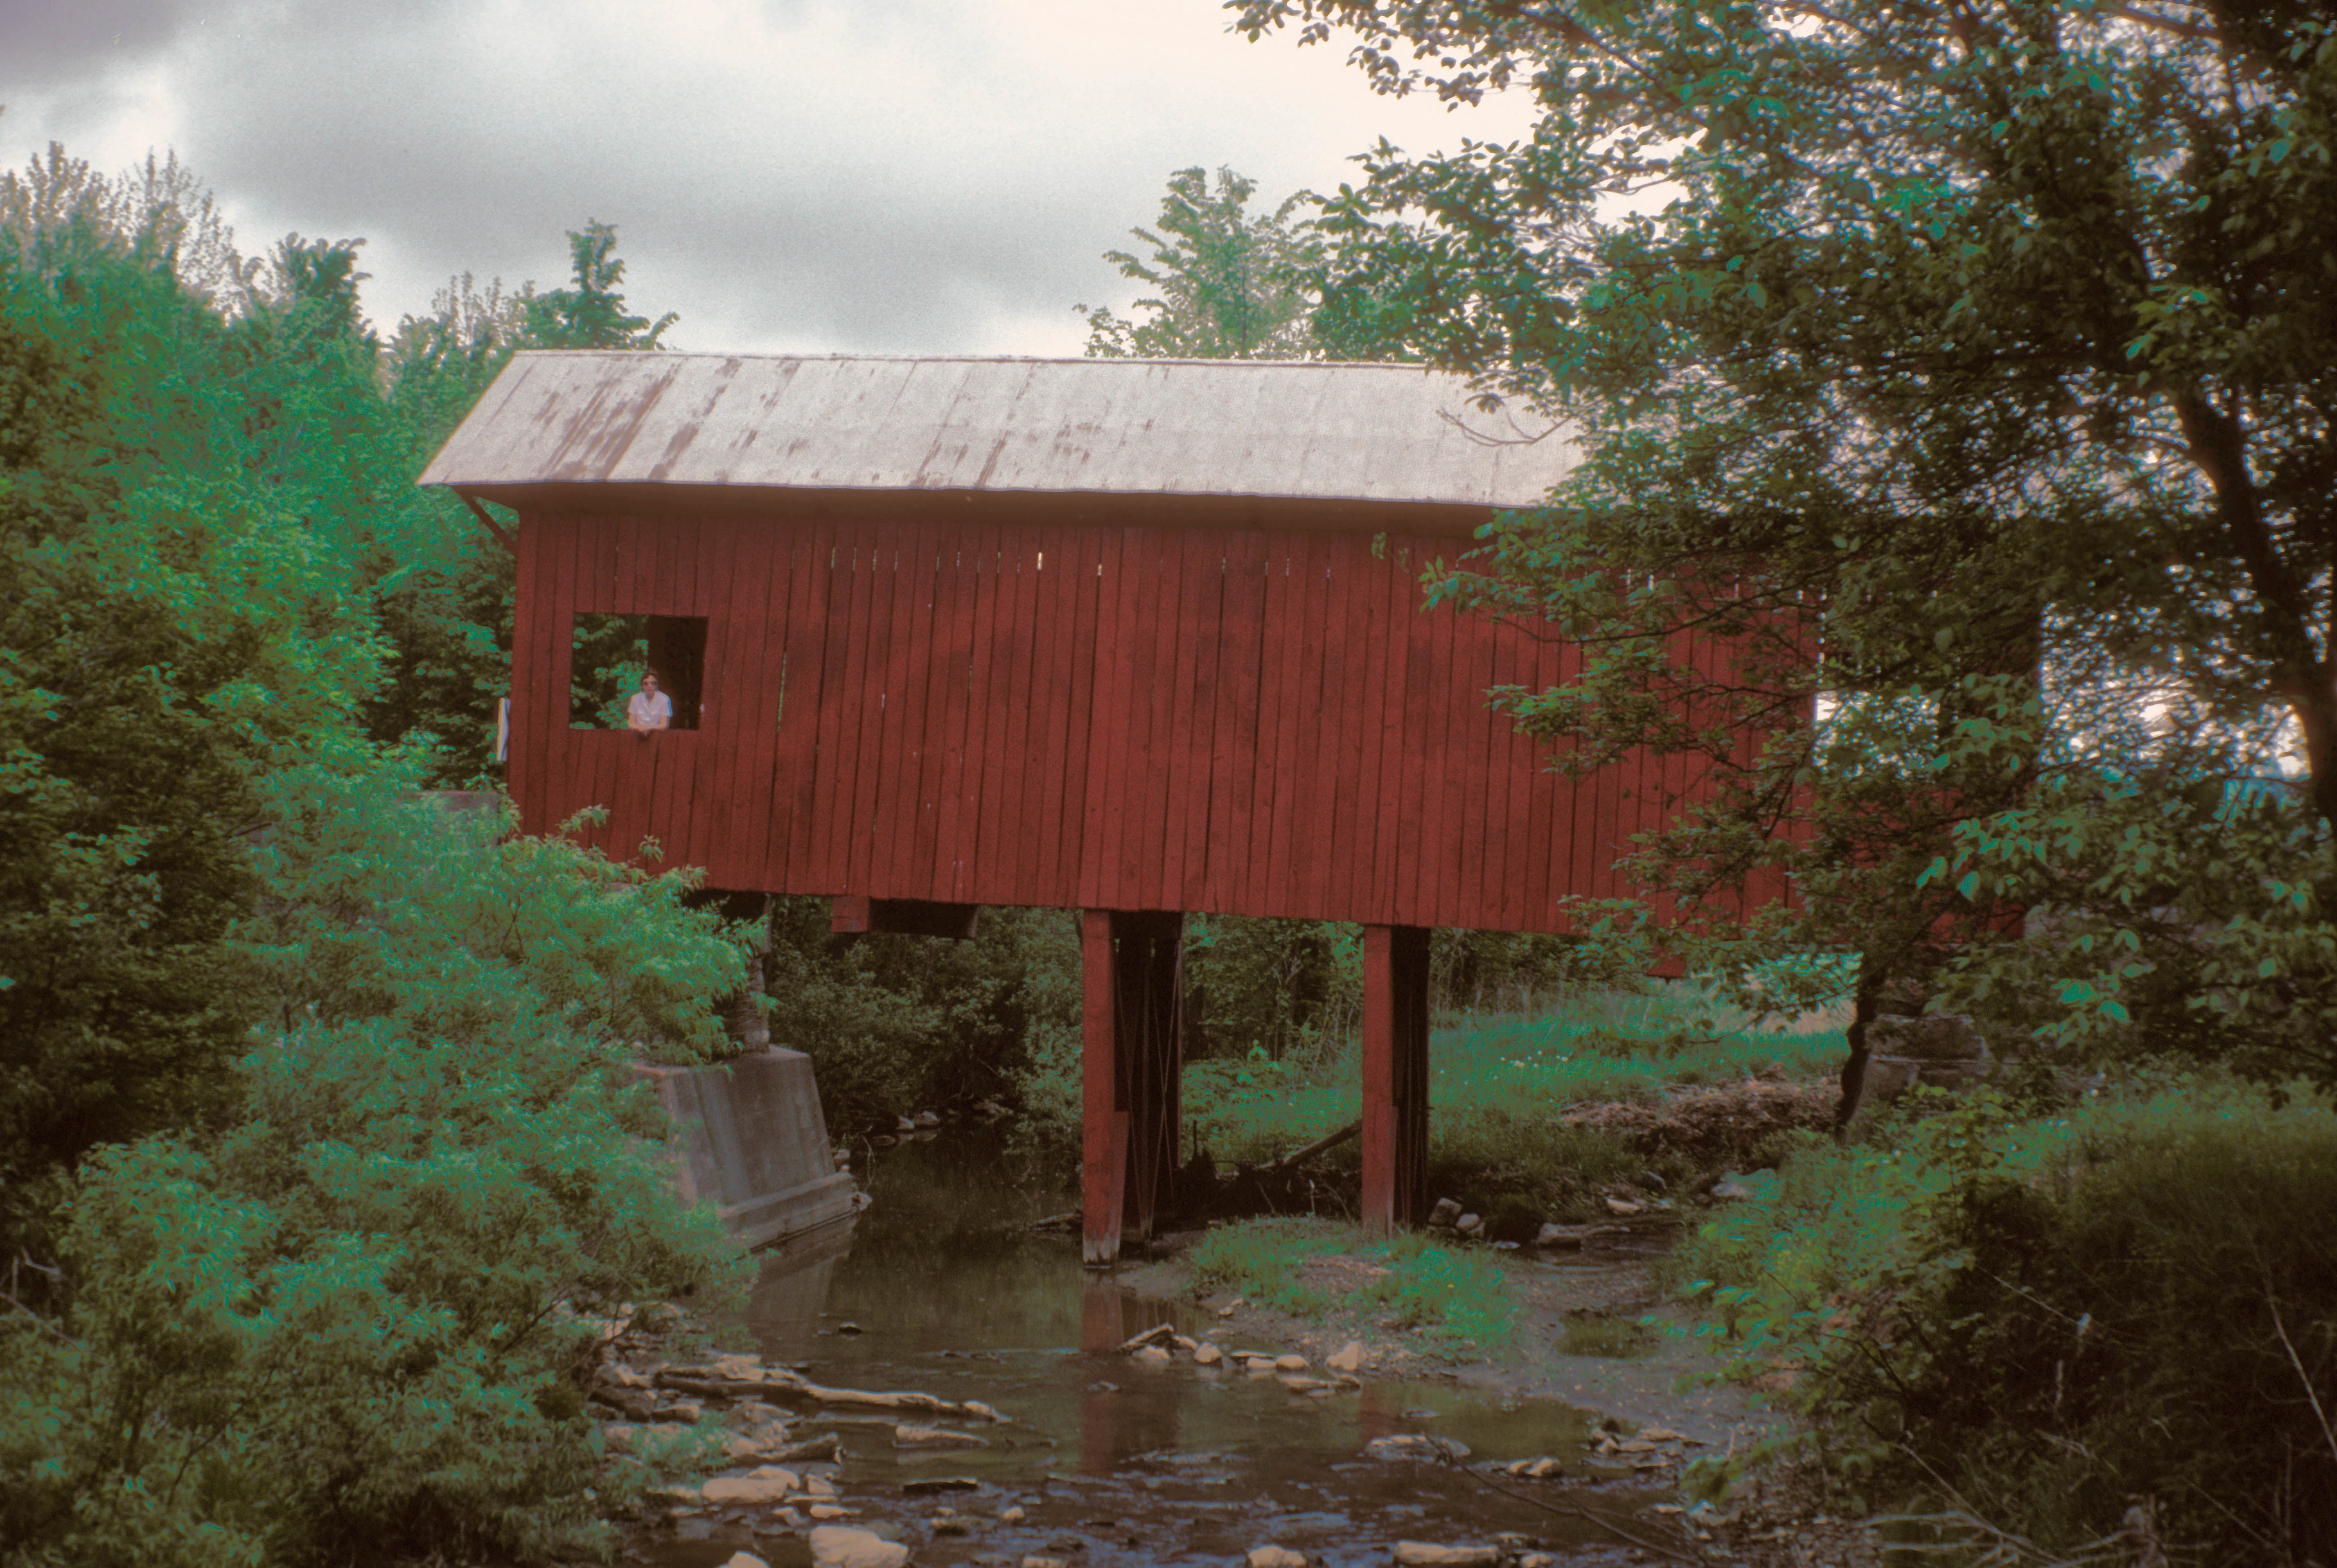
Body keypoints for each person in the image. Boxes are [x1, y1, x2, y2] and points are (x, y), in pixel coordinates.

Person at [627, 670, 672, 737]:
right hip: (638, 736)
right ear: (642, 685)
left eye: (653, 683)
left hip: (658, 737)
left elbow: (664, 725)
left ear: (657, 685)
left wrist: (648, 728)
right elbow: (631, 724)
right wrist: (641, 728)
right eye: (646, 683)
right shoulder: (635, 699)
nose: (650, 686)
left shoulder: (664, 700)